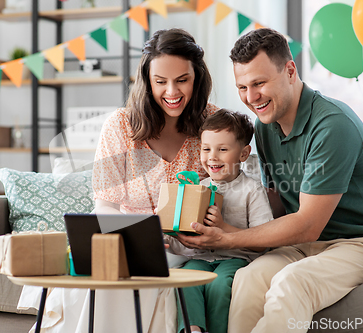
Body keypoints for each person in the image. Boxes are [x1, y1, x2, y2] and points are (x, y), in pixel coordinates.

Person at [176, 28, 363, 333]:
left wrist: (228, 237)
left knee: (291, 282)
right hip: (302, 245)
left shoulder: (332, 125)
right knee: (247, 279)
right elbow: (276, 204)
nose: (251, 97)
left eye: (259, 83)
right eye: (242, 87)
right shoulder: (265, 127)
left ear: (290, 71)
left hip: (362, 245)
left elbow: (308, 224)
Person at [18, 28, 219, 333]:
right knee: (100, 281)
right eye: (160, 82)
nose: (172, 92)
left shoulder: (213, 124)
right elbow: (105, 206)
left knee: (134, 283)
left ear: (197, 77)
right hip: (128, 244)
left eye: (182, 80)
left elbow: (231, 187)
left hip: (185, 252)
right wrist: (141, 235)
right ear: (147, 81)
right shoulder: (121, 125)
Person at [166, 109, 273, 333]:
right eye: (206, 149)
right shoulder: (197, 189)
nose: (212, 156)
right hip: (200, 258)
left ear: (243, 154)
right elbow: (186, 237)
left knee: (219, 284)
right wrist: (169, 241)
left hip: (234, 259)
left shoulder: (251, 189)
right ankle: (192, 329)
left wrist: (223, 227)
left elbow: (263, 239)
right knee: (185, 280)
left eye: (222, 149)